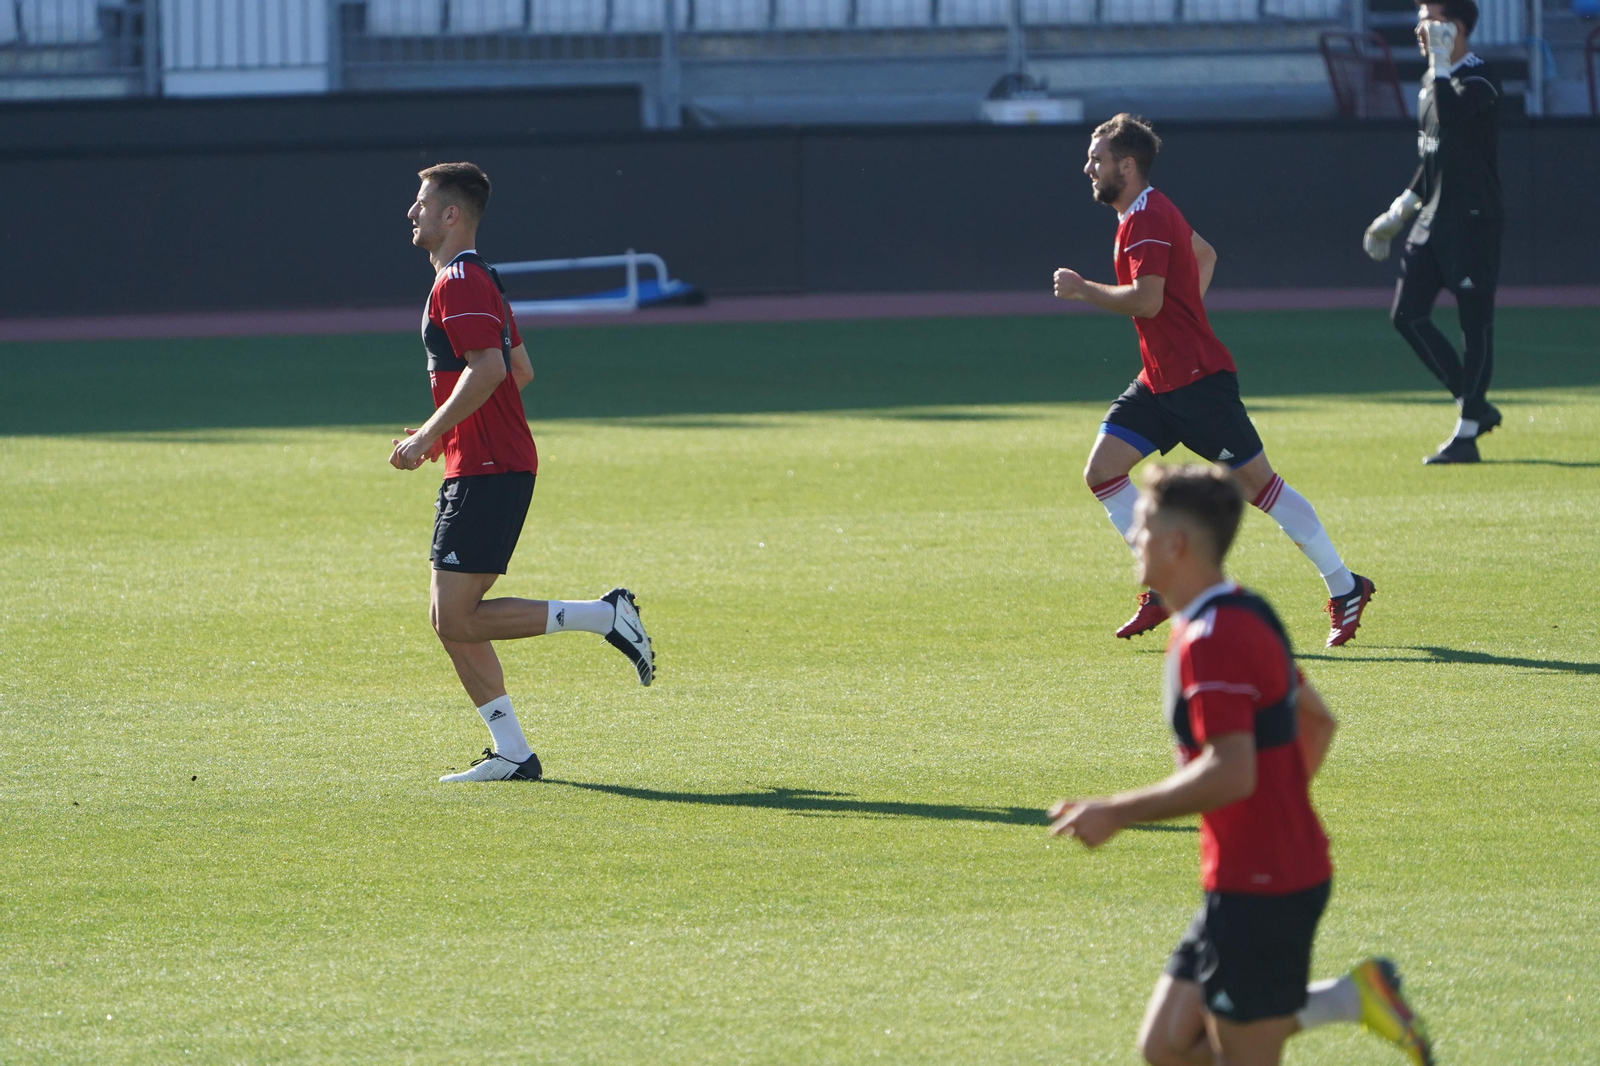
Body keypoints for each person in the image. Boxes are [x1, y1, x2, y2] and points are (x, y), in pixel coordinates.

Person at [1048, 464, 1434, 1066]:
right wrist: (1271, 812)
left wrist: (1115, 812)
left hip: (1264, 887)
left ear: (1176, 545)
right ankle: (1354, 997)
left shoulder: (1209, 639)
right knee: (1167, 1046)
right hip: (1253, 873)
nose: (1132, 539)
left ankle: (1351, 999)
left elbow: (1233, 772)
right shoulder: (1245, 609)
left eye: (1143, 527)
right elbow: (1317, 721)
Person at [1054, 115, 1374, 648]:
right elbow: (1204, 256)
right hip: (1160, 381)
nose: (1088, 167)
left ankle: (1346, 587)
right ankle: (1162, 583)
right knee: (1103, 473)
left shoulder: (1147, 217)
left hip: (1199, 384)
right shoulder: (1146, 209)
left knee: (1262, 490)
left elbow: (1148, 299)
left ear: (1126, 166)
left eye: (1097, 159)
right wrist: (1183, 317)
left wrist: (1085, 289)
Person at [393, 161, 655, 784]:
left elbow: (489, 371)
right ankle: (512, 752)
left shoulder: (458, 281)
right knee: (447, 618)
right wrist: (445, 441)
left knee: (455, 616)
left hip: (490, 467)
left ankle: (603, 615)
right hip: (481, 463)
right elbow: (521, 370)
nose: (413, 212)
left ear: (451, 214)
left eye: (423, 202)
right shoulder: (483, 277)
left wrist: (432, 433)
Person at [1364, 0, 1503, 465]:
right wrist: (1400, 210)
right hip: (1432, 219)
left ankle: (1466, 433)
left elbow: (1453, 120)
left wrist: (1442, 66)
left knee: (1474, 323)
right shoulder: (1433, 79)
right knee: (1407, 314)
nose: (1419, 29)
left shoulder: (1479, 80)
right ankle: (1475, 405)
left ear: (1456, 27)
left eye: (1430, 21)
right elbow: (1433, 158)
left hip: (1472, 221)